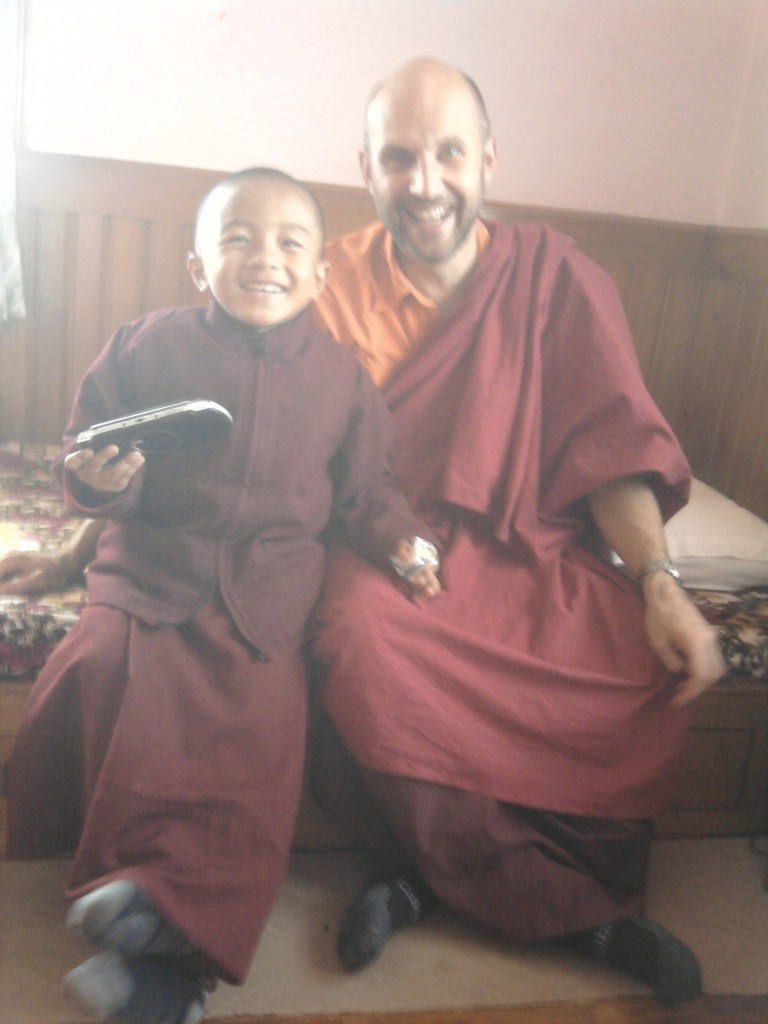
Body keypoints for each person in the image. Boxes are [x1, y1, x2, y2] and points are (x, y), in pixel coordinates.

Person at [1, 58, 726, 1005]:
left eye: (449, 154)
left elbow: (613, 443)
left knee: (634, 655)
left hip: (528, 546)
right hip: (376, 549)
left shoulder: (557, 279)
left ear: (488, 160)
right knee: (355, 636)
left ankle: (445, 880)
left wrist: (661, 583)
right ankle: (509, 896)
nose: (425, 182)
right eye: (398, 158)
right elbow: (206, 454)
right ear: (368, 168)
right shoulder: (321, 282)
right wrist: (80, 541)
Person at [4, 166, 440, 1024]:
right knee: (108, 670)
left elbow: (368, 491)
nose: (264, 257)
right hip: (150, 573)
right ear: (200, 266)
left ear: (320, 274)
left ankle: (158, 941)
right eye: (237, 239)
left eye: (289, 243)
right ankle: (138, 899)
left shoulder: (342, 380)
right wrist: (97, 482)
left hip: (267, 599)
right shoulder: (144, 347)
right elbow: (88, 457)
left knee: (262, 742)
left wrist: (404, 543)